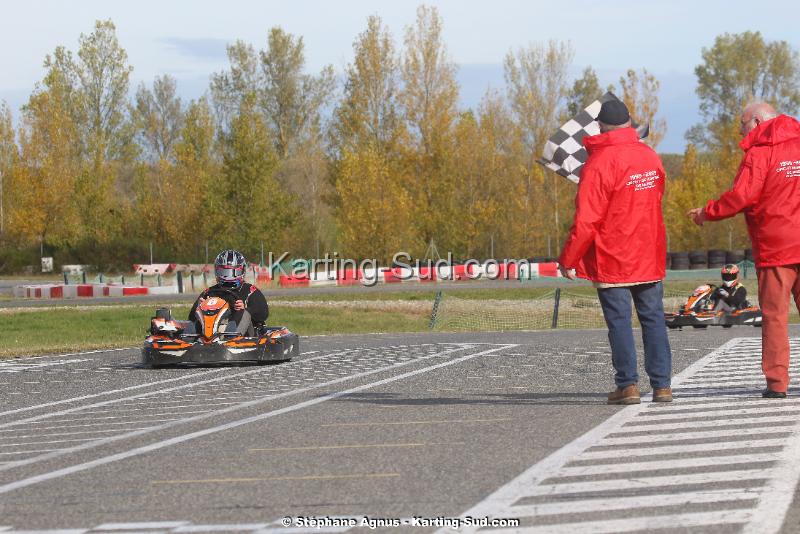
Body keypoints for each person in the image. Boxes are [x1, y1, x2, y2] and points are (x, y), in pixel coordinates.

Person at [558, 99, 673, 405]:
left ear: (599, 127)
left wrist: (569, 258)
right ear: (629, 124)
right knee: (653, 319)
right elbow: (657, 196)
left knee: (620, 322)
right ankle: (662, 386)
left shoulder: (598, 163)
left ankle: (629, 386)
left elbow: (587, 219)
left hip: (612, 255)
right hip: (648, 251)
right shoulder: (650, 156)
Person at [688, 102, 800, 399]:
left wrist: (707, 212)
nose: (739, 130)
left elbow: (742, 196)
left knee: (775, 317)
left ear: (758, 121)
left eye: (742, 123)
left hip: (776, 247)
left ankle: (778, 383)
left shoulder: (760, 152)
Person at [188, 249, 269, 336]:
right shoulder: (209, 292)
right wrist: (199, 308)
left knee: (242, 312)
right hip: (211, 334)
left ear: (242, 271)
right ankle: (188, 340)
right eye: (225, 272)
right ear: (217, 271)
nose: (229, 277)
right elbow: (191, 319)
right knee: (200, 312)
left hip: (244, 337)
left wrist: (246, 308)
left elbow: (263, 313)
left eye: (234, 272)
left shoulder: (250, 291)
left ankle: (231, 338)